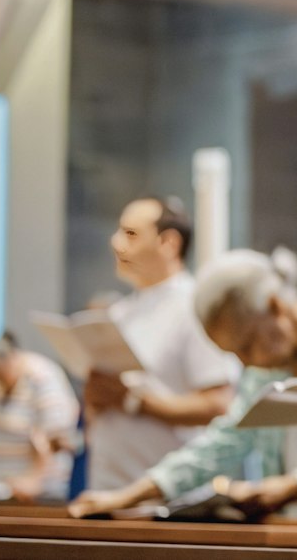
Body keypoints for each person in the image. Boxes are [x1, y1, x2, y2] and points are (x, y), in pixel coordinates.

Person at [68, 248, 297, 519]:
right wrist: (132, 494)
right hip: (288, 535)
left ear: (275, 306)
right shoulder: (264, 370)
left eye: (248, 345)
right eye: (233, 354)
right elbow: (225, 440)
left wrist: (295, 485)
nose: (246, 363)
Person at [84, 196, 239, 491]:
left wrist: (134, 401)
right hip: (107, 487)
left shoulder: (195, 307)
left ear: (169, 243)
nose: (116, 243)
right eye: (119, 232)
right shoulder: (121, 312)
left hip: (168, 499)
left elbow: (220, 405)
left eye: (130, 234)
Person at [0, 333, 79, 502]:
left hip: (44, 492)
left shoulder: (42, 377)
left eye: (2, 372)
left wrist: (34, 481)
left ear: (13, 358)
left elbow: (56, 439)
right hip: (7, 486)